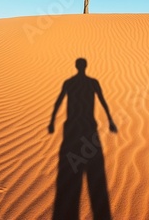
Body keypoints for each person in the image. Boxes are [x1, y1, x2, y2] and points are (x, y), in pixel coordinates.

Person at [48, 58, 117, 220]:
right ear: (85, 66)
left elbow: (58, 102)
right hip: (86, 128)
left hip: (74, 128)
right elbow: (102, 101)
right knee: (91, 169)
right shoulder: (93, 82)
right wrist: (110, 120)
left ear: (76, 66)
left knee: (71, 169)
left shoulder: (69, 82)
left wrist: (52, 121)